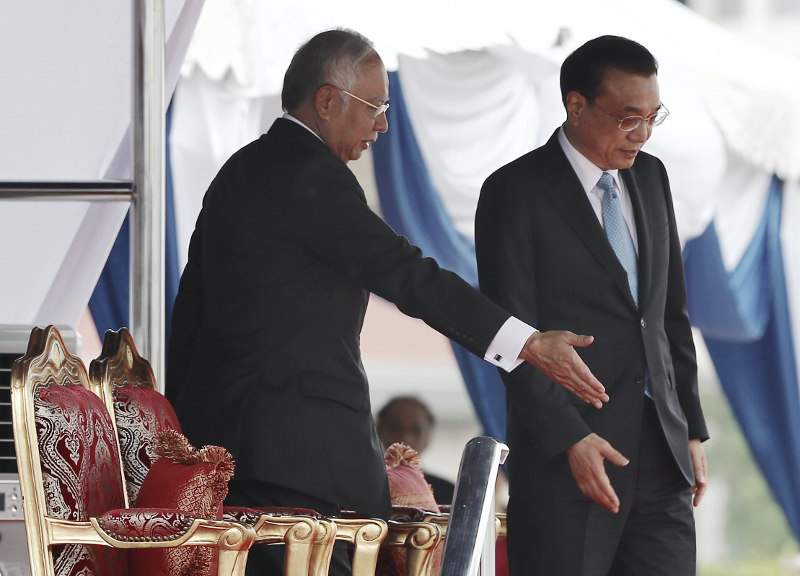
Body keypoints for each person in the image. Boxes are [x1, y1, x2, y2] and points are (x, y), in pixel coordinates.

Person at [166, 28, 607, 576]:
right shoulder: (311, 175)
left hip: (232, 455)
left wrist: (188, 439)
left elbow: (190, 313)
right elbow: (406, 273)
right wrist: (527, 342)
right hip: (295, 466)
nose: (382, 125)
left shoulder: (243, 168)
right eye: (375, 106)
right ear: (327, 101)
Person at [475, 35, 709, 576]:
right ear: (576, 106)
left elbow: (669, 314)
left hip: (662, 454)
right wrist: (571, 438)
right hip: (568, 462)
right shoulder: (515, 191)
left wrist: (691, 427)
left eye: (652, 117)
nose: (642, 134)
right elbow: (509, 339)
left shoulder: (651, 176)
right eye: (627, 118)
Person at [376, 396, 456, 504]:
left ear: (429, 435)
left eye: (416, 430)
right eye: (396, 428)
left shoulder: (449, 493)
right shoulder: (361, 486)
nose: (406, 438)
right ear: (379, 430)